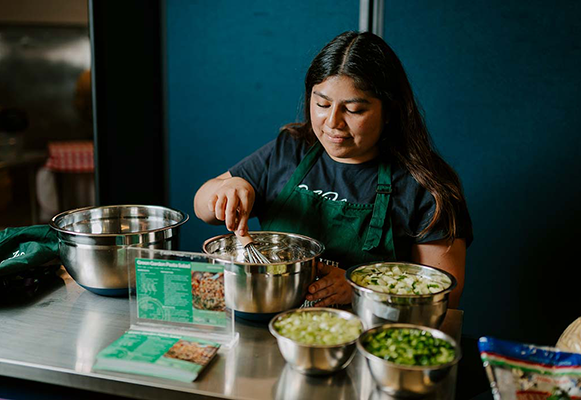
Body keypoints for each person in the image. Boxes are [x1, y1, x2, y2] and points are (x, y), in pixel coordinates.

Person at [194, 31, 472, 308]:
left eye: (353, 110)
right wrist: (226, 189)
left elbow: (445, 294)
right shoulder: (290, 149)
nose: (333, 122)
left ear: (389, 112)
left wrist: (363, 289)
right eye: (322, 104)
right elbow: (202, 208)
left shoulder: (427, 184)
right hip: (277, 326)